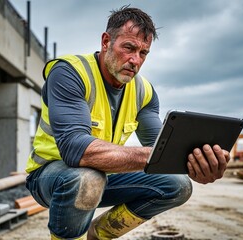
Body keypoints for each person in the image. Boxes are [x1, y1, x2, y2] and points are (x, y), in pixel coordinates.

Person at [25, 6, 230, 240]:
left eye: (143, 53)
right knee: (86, 179)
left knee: (178, 185)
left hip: (104, 175)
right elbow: (76, 150)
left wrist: (195, 164)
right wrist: (157, 155)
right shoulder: (70, 73)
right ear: (106, 42)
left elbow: (160, 151)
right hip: (51, 176)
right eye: (129, 48)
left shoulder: (143, 92)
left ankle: (96, 235)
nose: (135, 60)